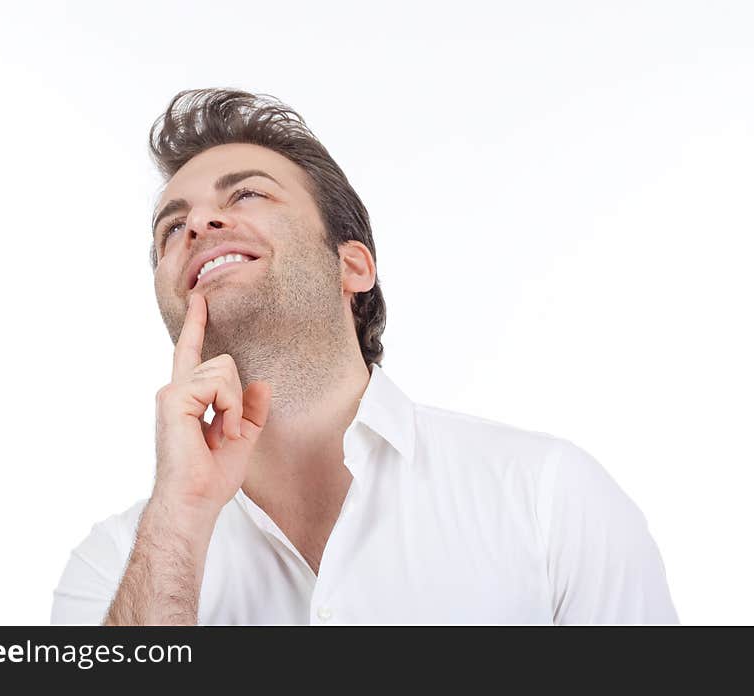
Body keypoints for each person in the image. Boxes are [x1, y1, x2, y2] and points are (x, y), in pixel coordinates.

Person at [50, 88, 678, 625]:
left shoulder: (548, 497)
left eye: (245, 196)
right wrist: (180, 516)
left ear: (352, 266)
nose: (197, 225)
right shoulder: (112, 567)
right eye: (170, 227)